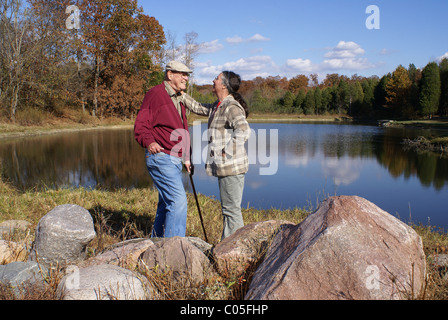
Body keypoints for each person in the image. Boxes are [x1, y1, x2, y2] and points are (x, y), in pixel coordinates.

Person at [182, 71, 251, 240]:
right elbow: (198, 107)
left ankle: (232, 249)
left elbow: (244, 130)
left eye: (217, 78)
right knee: (230, 209)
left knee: (231, 210)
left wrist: (225, 151)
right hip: (226, 167)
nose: (213, 80)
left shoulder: (231, 107)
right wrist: (182, 95)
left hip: (232, 167)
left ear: (224, 85)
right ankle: (233, 247)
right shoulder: (217, 106)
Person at [134, 61, 193, 238]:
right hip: (161, 157)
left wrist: (186, 157)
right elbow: (141, 124)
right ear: (169, 75)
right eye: (182, 74)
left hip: (174, 159)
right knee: (178, 201)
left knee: (166, 203)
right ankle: (173, 249)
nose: (186, 78)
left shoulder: (177, 97)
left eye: (187, 74)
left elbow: (181, 129)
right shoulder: (156, 94)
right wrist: (149, 142)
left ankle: (157, 242)